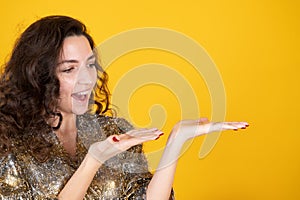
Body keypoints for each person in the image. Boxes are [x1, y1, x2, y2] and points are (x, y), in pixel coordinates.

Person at [0, 15, 248, 199]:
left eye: (89, 65)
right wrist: (94, 160)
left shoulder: (114, 131)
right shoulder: (11, 145)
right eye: (69, 69)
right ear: (38, 76)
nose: (87, 78)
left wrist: (175, 142)